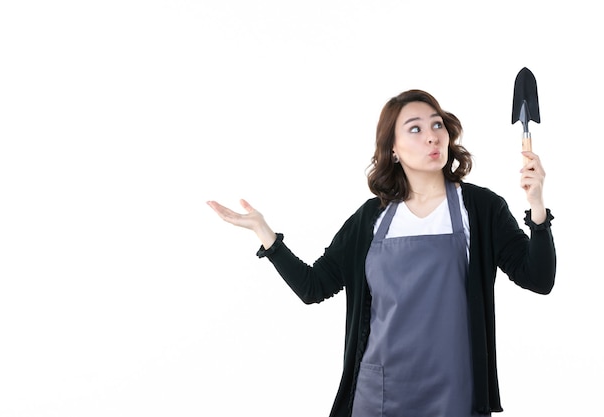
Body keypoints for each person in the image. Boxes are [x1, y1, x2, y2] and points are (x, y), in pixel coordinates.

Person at [206, 89, 556, 417]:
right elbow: (314, 287)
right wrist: (264, 232)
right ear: (393, 149)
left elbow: (539, 279)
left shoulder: (480, 208)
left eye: (437, 124)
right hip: (381, 392)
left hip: (455, 391)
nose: (432, 136)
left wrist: (537, 205)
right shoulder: (370, 219)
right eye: (415, 129)